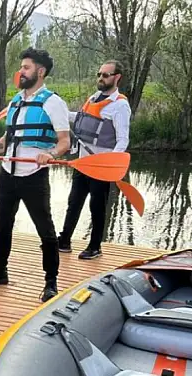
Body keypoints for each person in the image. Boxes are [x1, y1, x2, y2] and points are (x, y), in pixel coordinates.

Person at [0, 48, 71, 302]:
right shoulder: (15, 101)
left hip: (34, 175)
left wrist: (51, 154)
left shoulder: (53, 102)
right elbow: (9, 138)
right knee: (3, 225)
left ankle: (51, 282)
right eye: (21, 67)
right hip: (7, 172)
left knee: (45, 230)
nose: (21, 72)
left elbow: (64, 142)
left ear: (40, 71)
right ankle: (0, 271)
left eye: (26, 67)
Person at [58, 60, 131, 260]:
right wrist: (59, 111)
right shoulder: (93, 99)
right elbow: (78, 118)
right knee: (74, 203)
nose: (101, 78)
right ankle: (64, 240)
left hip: (101, 166)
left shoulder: (120, 106)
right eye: (99, 74)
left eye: (106, 75)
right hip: (82, 163)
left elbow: (123, 139)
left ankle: (95, 246)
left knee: (97, 207)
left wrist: (111, 164)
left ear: (117, 78)